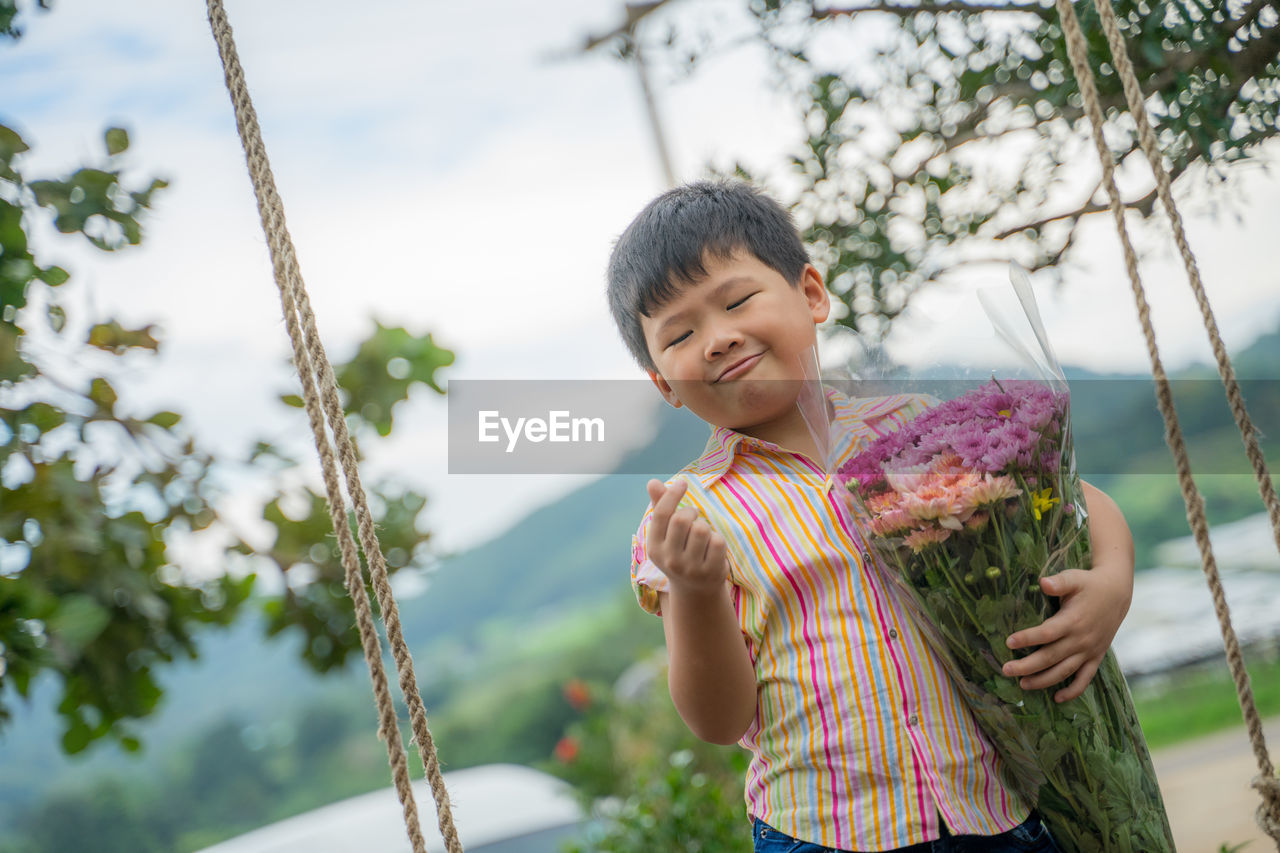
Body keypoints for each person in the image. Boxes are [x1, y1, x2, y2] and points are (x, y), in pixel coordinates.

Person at [605, 179, 1136, 853]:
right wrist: (697, 589)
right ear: (663, 384)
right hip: (824, 831)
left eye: (737, 300)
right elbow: (718, 717)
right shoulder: (689, 516)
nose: (717, 338)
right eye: (680, 334)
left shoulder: (923, 429)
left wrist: (1110, 585)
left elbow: (1079, 503)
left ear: (811, 294)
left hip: (996, 800)